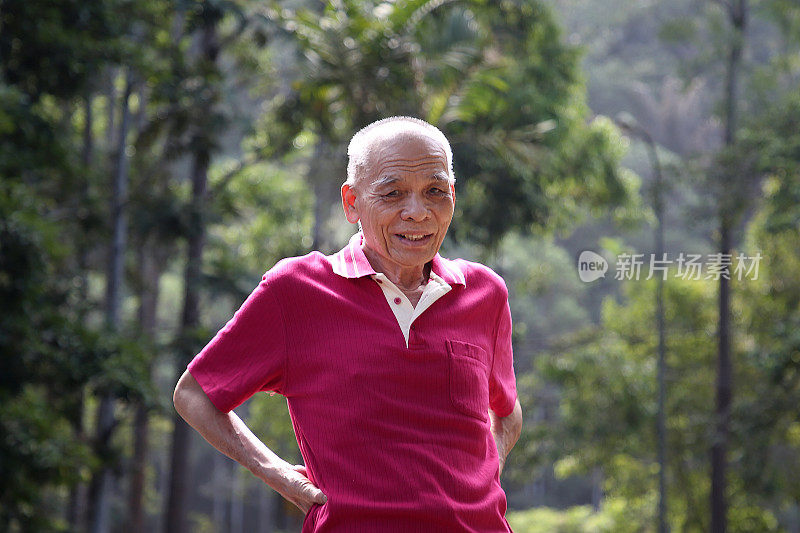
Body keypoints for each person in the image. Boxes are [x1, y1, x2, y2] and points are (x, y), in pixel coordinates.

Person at [173, 116, 523, 532]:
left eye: (435, 192)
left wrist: (484, 476)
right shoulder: (297, 291)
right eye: (392, 193)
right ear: (351, 202)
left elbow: (507, 412)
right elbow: (196, 394)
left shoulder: (485, 293)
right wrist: (280, 476)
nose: (417, 212)